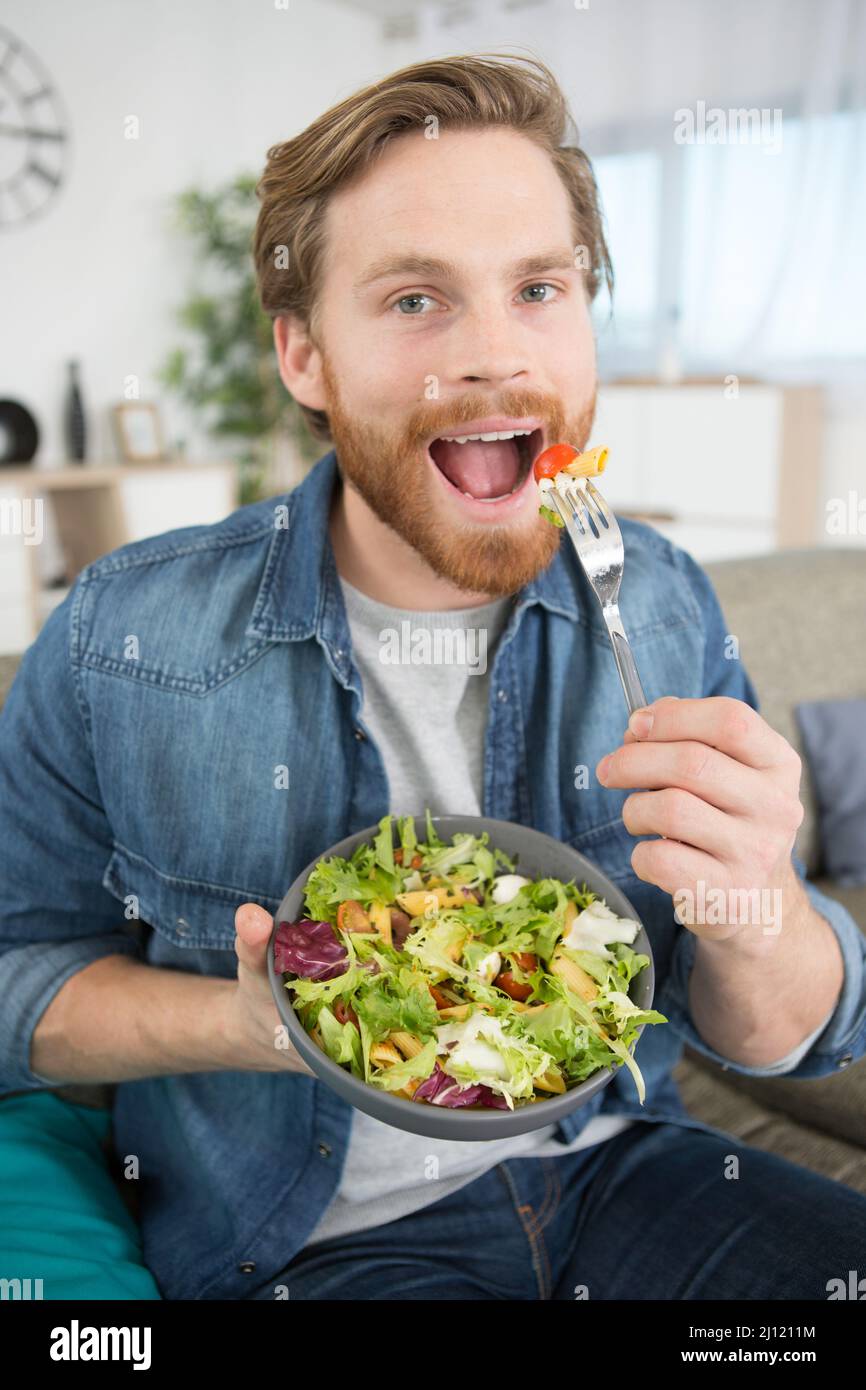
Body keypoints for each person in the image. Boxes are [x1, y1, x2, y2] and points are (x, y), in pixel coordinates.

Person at [1, 53, 864, 1302]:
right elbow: (16, 973)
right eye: (415, 300)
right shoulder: (121, 633)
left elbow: (769, 1036)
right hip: (312, 1242)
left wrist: (756, 902)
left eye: (537, 288)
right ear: (303, 356)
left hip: (621, 1165)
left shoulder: (659, 599)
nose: (496, 358)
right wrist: (249, 1028)